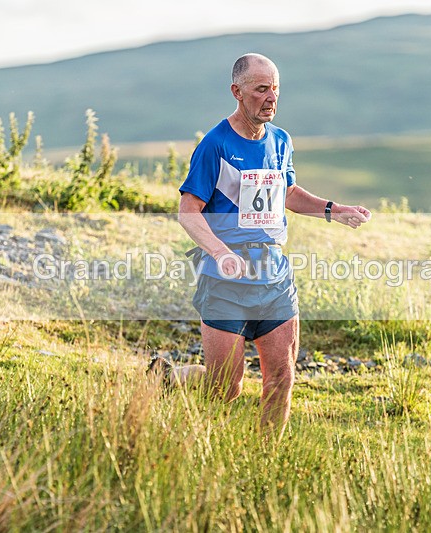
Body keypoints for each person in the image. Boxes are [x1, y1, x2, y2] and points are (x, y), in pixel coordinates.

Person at [149, 53, 371, 440]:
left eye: (276, 89)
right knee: (225, 390)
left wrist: (333, 210)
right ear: (237, 92)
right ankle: (175, 377)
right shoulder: (214, 145)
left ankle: (266, 461)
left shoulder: (281, 140)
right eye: (261, 89)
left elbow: (287, 192)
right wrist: (220, 253)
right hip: (226, 280)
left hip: (274, 277)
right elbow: (188, 211)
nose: (271, 98)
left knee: (281, 378)